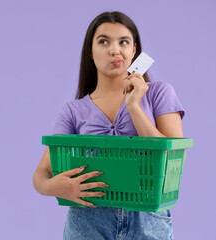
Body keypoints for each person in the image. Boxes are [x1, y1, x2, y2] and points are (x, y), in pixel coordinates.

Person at [33, 11, 185, 240]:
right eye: (104, 41)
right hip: (87, 220)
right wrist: (56, 188)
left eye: (123, 42)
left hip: (147, 219)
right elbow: (41, 174)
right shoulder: (73, 111)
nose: (115, 50)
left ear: (134, 50)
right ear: (91, 53)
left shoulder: (159, 93)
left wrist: (134, 107)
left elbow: (172, 160)